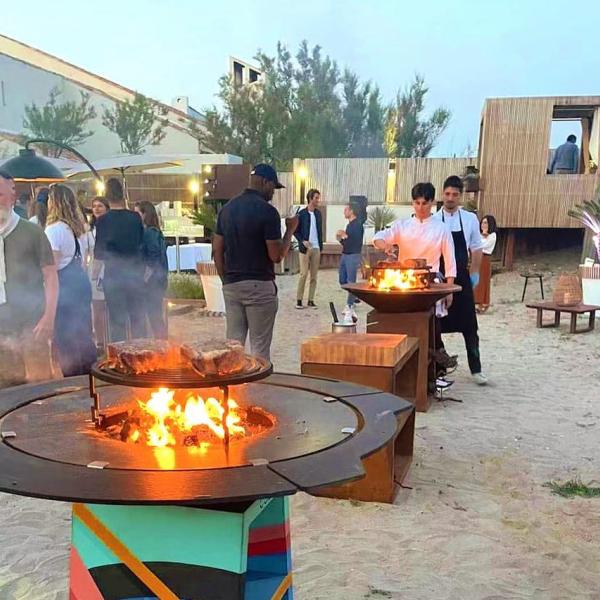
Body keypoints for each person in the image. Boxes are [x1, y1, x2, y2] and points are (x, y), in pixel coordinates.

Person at [213, 163, 298, 361]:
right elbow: (276, 256)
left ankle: (233, 390)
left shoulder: (227, 210)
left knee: (233, 348)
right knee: (259, 349)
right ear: (265, 182)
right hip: (259, 285)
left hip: (232, 285)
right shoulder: (268, 212)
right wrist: (290, 231)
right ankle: (258, 391)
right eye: (273, 187)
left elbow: (217, 249)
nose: (273, 193)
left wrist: (225, 280)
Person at [0, 169, 58, 386]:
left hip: (32, 322)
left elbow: (50, 276)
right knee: (6, 388)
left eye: (0, 195)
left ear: (12, 196)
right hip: (1, 324)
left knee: (39, 387)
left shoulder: (32, 232)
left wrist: (49, 318)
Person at [433, 175, 487, 385]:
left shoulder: (470, 219)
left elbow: (476, 248)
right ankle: (439, 366)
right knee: (435, 324)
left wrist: (474, 274)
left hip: (463, 279)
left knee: (470, 326)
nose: (450, 198)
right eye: (447, 194)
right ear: (442, 195)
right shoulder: (435, 220)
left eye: (455, 194)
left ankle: (476, 369)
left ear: (460, 196)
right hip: (441, 278)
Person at [45, 184, 97, 376]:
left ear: (54, 203)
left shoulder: (54, 230)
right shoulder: (79, 228)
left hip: (65, 288)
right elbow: (83, 262)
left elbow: (52, 267)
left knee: (66, 339)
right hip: (80, 284)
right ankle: (91, 377)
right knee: (83, 334)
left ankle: (74, 381)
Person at [94, 189, 145, 342]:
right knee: (137, 317)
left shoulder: (102, 221)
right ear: (123, 196)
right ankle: (140, 355)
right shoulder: (135, 217)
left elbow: (99, 253)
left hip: (113, 275)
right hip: (135, 273)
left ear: (107, 198)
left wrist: (94, 276)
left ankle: (120, 356)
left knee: (117, 319)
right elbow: (141, 243)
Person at [134, 201, 168, 338]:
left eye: (137, 213)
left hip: (153, 282)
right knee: (155, 315)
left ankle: (162, 344)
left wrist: (144, 279)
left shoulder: (149, 233)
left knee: (154, 315)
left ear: (145, 214)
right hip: (158, 280)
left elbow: (153, 258)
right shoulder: (155, 232)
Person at [337, 198, 367, 322]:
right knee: (342, 279)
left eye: (346, 209)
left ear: (352, 211)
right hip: (345, 254)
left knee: (351, 282)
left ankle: (349, 305)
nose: (344, 211)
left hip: (352, 255)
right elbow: (346, 243)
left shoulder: (357, 225)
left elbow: (354, 242)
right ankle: (354, 297)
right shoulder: (349, 225)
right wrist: (341, 238)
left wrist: (343, 237)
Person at [295, 189, 323, 309]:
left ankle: (311, 300)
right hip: (305, 248)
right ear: (310, 199)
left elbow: (320, 230)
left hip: (316, 248)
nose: (318, 200)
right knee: (303, 274)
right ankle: (299, 300)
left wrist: (321, 246)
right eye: (316, 198)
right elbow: (295, 231)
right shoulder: (301, 214)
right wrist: (302, 241)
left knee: (314, 276)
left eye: (318, 198)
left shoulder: (318, 214)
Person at [474, 214, 498, 313]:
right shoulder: (478, 235)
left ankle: (483, 303)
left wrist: (482, 238)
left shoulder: (493, 235)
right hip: (477, 258)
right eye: (482, 223)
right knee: (475, 280)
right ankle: (475, 302)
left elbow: (484, 246)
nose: (483, 225)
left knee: (483, 281)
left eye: (486, 223)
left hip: (485, 258)